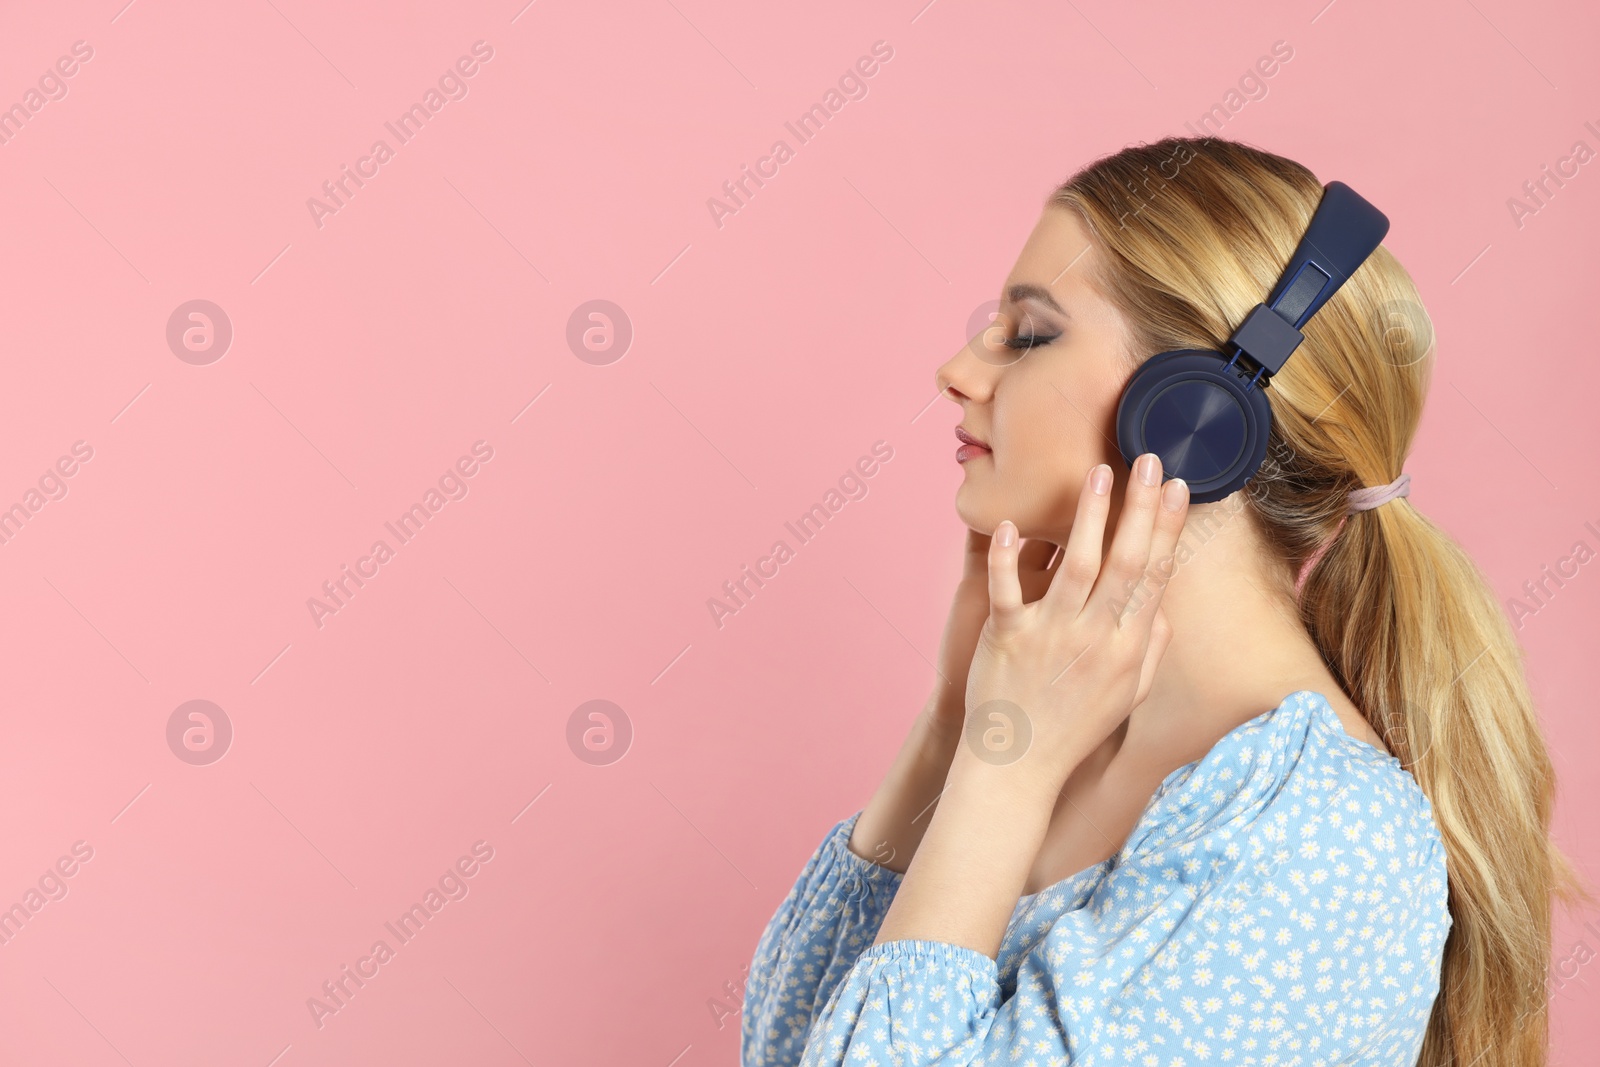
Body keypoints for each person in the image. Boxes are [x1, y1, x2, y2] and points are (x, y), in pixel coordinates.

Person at [740, 137, 1587, 1067]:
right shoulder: (1054, 726)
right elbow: (789, 1044)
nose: (957, 369)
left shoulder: (1317, 838)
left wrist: (1003, 774)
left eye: (1028, 335)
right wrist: (956, 725)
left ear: (1196, 413)